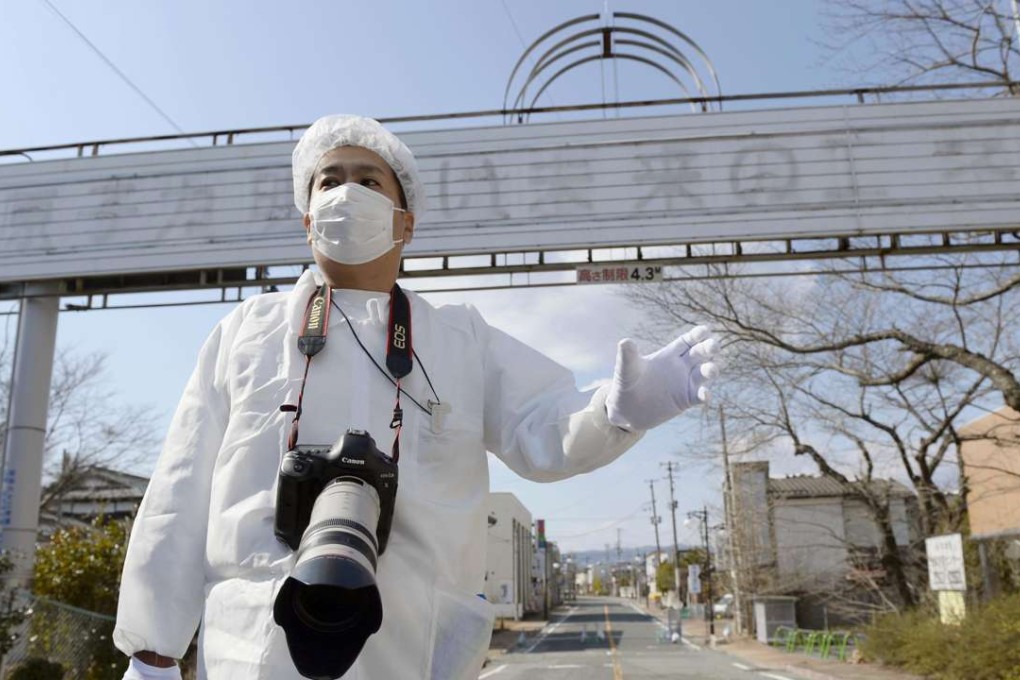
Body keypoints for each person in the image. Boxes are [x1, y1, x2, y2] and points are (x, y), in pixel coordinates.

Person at [113, 114, 718, 680]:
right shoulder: (245, 330)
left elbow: (545, 425)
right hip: (259, 651)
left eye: (368, 180)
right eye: (329, 181)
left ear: (405, 221)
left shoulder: (459, 339)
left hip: (416, 650)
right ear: (307, 218)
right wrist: (151, 650)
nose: (345, 193)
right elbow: (178, 494)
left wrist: (616, 410)